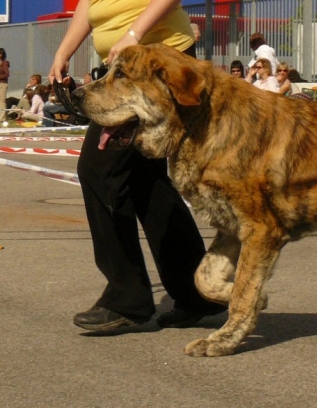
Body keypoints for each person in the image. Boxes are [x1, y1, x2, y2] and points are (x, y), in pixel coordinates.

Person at [47, 0, 227, 331]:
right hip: (130, 66)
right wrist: (63, 52)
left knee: (99, 169)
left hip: (158, 64)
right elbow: (88, 6)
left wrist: (133, 33)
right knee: (145, 182)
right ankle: (197, 296)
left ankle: (126, 300)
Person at [0, 48, 9, 122]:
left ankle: (2, 117)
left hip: (2, 84)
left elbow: (7, 74)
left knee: (2, 100)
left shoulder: (4, 63)